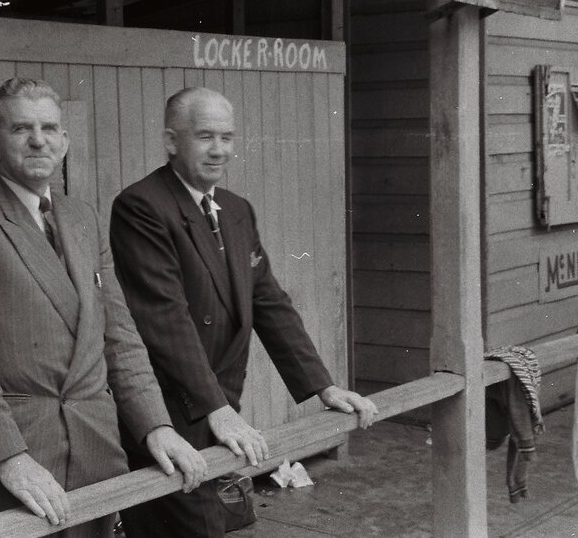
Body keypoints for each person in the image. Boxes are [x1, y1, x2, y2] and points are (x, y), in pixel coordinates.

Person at [0, 77, 207, 537]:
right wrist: (10, 460)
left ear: (65, 141)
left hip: (95, 458)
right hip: (16, 470)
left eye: (49, 128)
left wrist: (156, 427)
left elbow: (120, 337)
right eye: (21, 129)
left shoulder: (82, 217)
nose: (38, 140)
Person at [109, 86, 379, 538]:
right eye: (205, 137)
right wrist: (216, 409)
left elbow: (269, 301)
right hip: (170, 412)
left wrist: (323, 386)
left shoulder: (235, 209)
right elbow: (165, 319)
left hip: (219, 406)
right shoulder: (142, 206)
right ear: (172, 141)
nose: (220, 151)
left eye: (227, 138)